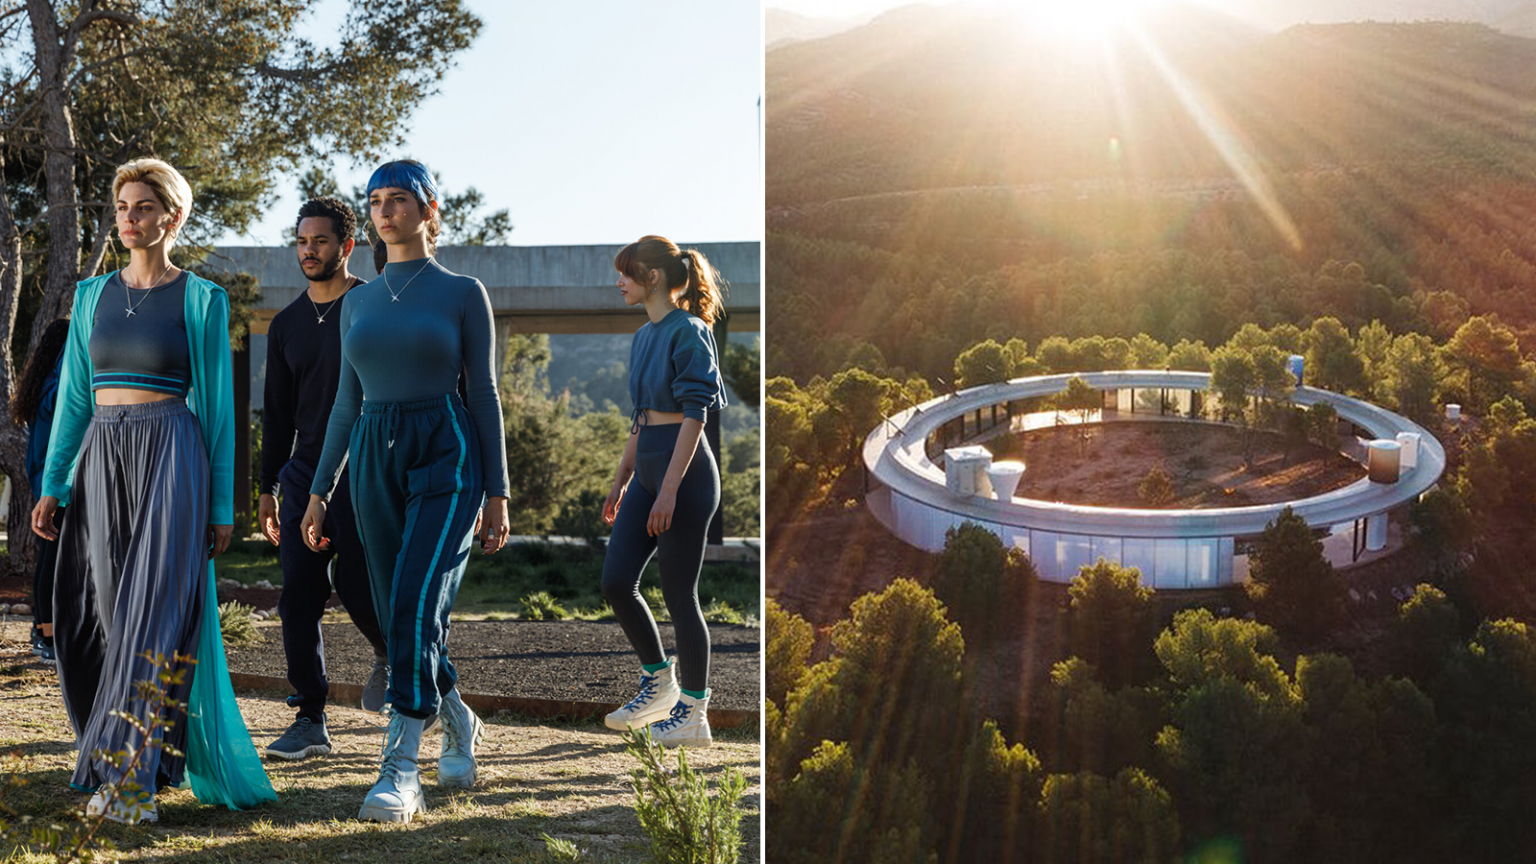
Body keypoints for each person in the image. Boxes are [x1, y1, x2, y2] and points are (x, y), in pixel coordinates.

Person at [32, 157, 275, 823]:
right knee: (111, 619)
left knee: (152, 619)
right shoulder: (91, 297)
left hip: (173, 454)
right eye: (121, 208)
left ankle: (130, 785)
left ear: (172, 216)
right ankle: (147, 761)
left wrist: (222, 504)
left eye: (141, 207)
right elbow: (75, 401)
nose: (128, 219)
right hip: (102, 459)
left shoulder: (201, 300)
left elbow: (220, 412)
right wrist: (56, 481)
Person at [300, 159, 510, 823]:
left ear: (429, 209)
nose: (384, 210)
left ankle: (399, 770)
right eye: (376, 201)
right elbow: (343, 403)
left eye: (398, 199)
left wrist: (498, 491)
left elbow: (482, 391)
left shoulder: (462, 291)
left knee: (417, 601)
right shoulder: (357, 300)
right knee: (402, 613)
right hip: (371, 455)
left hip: (446, 452)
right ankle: (458, 718)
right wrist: (316, 489)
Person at [259, 197, 391, 762]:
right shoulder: (286, 324)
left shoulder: (374, 306)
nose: (309, 250)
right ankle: (309, 716)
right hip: (303, 475)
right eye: (301, 241)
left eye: (320, 241)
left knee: (361, 586)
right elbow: (278, 415)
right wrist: (267, 489)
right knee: (298, 598)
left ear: (347, 245)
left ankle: (397, 659)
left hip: (365, 472)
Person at [600, 235, 727, 748]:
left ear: (652, 277)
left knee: (679, 595)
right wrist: (621, 480)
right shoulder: (642, 336)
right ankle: (659, 682)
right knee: (615, 581)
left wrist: (669, 491)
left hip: (686, 478)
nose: (619, 282)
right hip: (648, 474)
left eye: (627, 273)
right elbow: (642, 419)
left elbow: (695, 416)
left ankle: (694, 713)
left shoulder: (689, 330)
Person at [13, 317, 72, 665]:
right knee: (50, 559)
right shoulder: (53, 387)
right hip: (52, 483)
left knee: (49, 558)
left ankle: (44, 631)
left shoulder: (43, 383)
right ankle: (45, 636)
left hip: (49, 480)